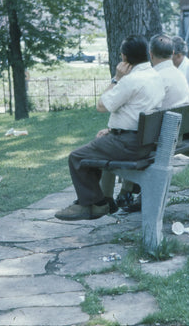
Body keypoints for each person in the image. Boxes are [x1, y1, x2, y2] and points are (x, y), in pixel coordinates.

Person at [55, 35, 165, 221]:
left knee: (77, 157)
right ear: (147, 53)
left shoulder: (131, 80)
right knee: (97, 145)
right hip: (146, 141)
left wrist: (116, 78)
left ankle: (94, 205)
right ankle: (100, 200)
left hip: (128, 144)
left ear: (124, 58)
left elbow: (101, 106)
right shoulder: (155, 76)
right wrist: (113, 130)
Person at [112, 33, 189, 214]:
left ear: (150, 53)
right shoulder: (178, 74)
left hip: (162, 136)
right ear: (172, 53)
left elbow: (140, 116)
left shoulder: (154, 77)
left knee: (126, 136)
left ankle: (124, 192)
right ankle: (128, 192)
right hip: (178, 133)